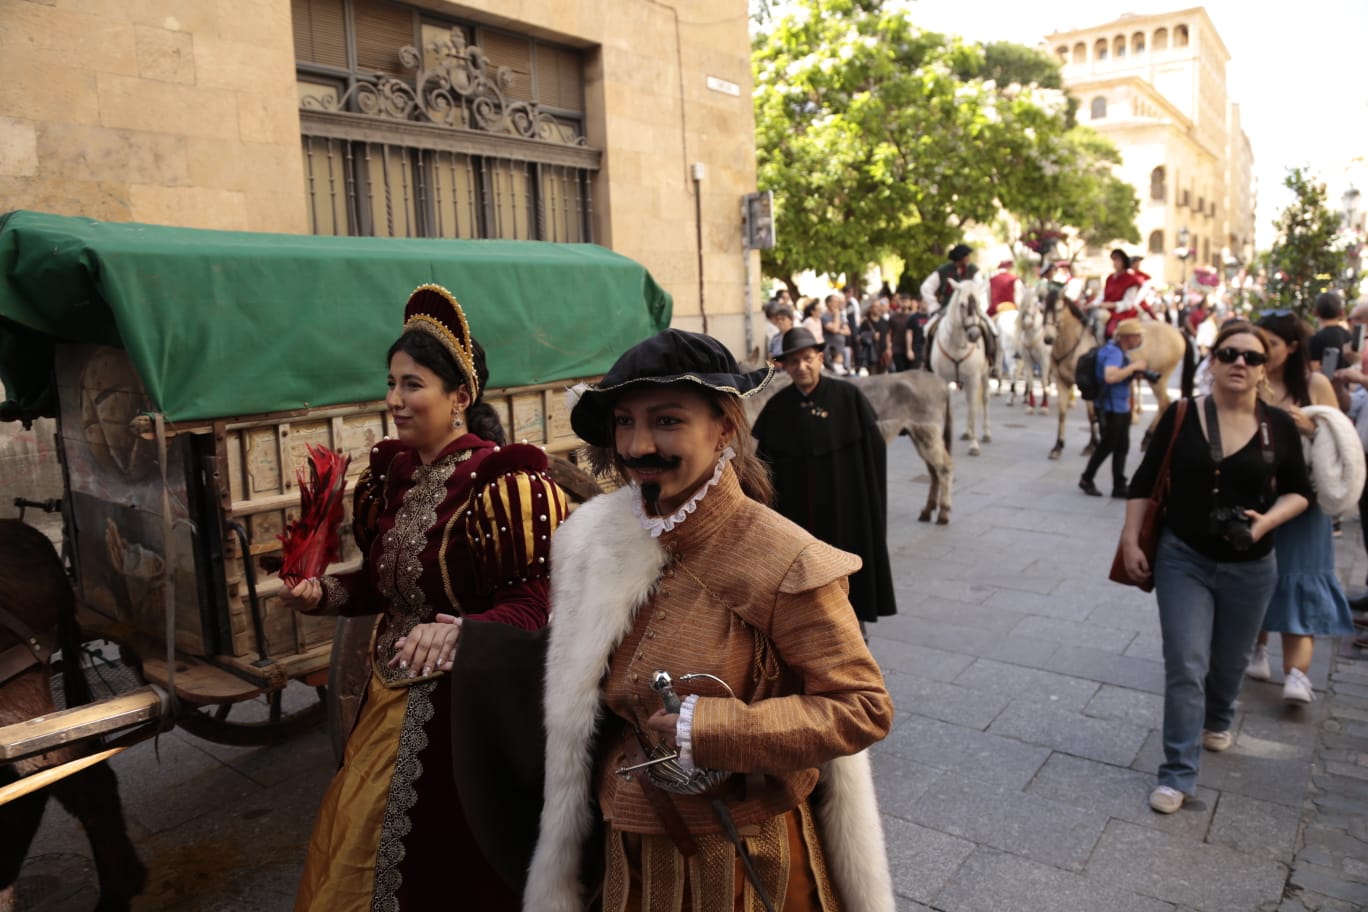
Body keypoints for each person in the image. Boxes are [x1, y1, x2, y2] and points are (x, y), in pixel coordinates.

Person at [524, 329, 895, 911]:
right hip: (628, 865)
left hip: (748, 865)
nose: (639, 445)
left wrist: (716, 729)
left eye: (667, 421)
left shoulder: (786, 559)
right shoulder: (591, 541)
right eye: (625, 422)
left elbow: (863, 707)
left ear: (724, 427)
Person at [287, 284, 567, 911]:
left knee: (437, 867)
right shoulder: (395, 476)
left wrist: (464, 631)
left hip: (462, 711)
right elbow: (382, 588)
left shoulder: (502, 480)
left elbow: (535, 601)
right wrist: (322, 595)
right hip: (384, 696)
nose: (393, 400)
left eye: (412, 385)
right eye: (390, 383)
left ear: (460, 396)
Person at [1121, 320, 1312, 815]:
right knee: (1186, 663)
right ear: (1212, 360)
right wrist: (1129, 539)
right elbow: (1143, 481)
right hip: (1183, 557)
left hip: (1252, 567)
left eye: (1251, 357)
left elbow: (1300, 492)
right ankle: (1177, 774)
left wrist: (1268, 520)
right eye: (1229, 354)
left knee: (1228, 665)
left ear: (1264, 369)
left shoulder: (1279, 425)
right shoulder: (1182, 415)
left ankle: (1220, 714)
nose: (1239, 364)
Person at [753, 327, 897, 637]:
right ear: (785, 366)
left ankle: (854, 629)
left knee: (847, 573)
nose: (801, 367)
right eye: (793, 362)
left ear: (820, 358)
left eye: (807, 358)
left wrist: (868, 503)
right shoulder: (777, 408)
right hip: (798, 516)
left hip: (846, 509)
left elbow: (873, 454)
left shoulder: (849, 398)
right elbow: (764, 467)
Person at [1244, 312, 1357, 702]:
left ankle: (1297, 675)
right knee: (1256, 577)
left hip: (1305, 501)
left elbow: (1341, 437)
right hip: (1257, 496)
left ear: (1291, 347)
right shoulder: (1250, 379)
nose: (1261, 354)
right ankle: (1256, 649)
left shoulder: (1315, 383)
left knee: (1301, 579)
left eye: (1270, 346)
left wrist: (1309, 428)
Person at [1079, 319, 1148, 498]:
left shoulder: (1118, 351)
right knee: (1107, 445)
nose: (1140, 339)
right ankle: (1087, 478)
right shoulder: (1113, 353)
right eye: (1138, 336)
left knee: (1122, 446)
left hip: (1120, 406)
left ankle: (1119, 484)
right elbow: (1110, 377)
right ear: (1128, 337)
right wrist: (1133, 367)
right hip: (1110, 407)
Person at [1101, 249, 1146, 338]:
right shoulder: (1110, 278)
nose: (1115, 263)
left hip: (1123, 313)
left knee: (1111, 331)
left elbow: (1128, 303)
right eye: (1113, 260)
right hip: (1107, 311)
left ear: (1124, 262)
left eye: (1117, 260)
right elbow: (1102, 295)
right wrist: (1091, 305)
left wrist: (1111, 305)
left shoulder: (1131, 280)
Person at [1308, 291, 1351, 374]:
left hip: (1324, 385)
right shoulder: (1348, 335)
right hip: (1346, 384)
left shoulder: (1316, 339)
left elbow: (1314, 371)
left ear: (1315, 312)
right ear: (1341, 312)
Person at [820, 292, 851, 374]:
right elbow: (834, 329)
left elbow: (848, 331)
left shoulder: (841, 315)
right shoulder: (824, 316)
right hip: (831, 351)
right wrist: (837, 316)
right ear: (829, 303)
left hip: (841, 349)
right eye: (836, 302)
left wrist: (838, 329)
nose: (838, 304)